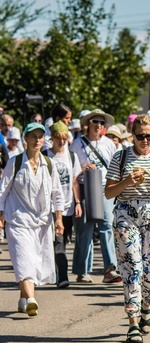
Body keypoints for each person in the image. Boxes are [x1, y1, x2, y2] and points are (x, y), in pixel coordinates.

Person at [105, 115, 150, 343]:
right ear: (132, 134)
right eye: (140, 136)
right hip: (126, 213)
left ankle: (147, 306)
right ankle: (133, 321)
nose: (145, 140)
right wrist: (127, 181)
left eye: (149, 136)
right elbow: (109, 192)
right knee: (131, 268)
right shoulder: (121, 156)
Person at [0, 123, 64, 316]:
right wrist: (0, 217)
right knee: (23, 260)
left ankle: (22, 297)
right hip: (17, 220)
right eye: (33, 136)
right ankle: (31, 299)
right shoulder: (15, 162)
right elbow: (2, 191)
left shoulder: (48, 163)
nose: (37, 140)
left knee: (33, 261)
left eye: (40, 136)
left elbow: (57, 193)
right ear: (25, 139)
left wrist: (59, 219)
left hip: (42, 222)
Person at [70, 109, 120, 284]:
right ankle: (82, 271)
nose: (99, 125)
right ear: (88, 124)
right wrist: (84, 169)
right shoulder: (77, 144)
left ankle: (110, 269)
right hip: (84, 186)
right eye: (95, 122)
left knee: (106, 225)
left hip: (105, 188)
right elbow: (72, 172)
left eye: (101, 123)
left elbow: (115, 168)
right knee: (85, 229)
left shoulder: (109, 144)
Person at [45, 122, 82, 288]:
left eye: (64, 139)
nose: (61, 142)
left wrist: (78, 202)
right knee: (58, 241)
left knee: (63, 241)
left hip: (67, 205)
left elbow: (74, 181)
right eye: (58, 138)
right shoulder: (45, 156)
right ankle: (62, 277)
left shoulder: (71, 156)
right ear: (52, 138)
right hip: (50, 206)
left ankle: (52, 272)